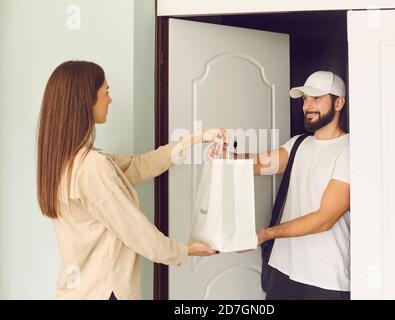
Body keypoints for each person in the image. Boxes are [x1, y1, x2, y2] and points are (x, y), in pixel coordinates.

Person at [36, 60, 225, 300]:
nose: (110, 99)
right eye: (106, 92)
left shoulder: (62, 161)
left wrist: (196, 139)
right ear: (86, 100)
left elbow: (138, 166)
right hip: (104, 292)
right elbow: (137, 232)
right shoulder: (92, 166)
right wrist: (184, 251)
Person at [231, 71, 350, 300]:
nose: (307, 105)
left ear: (339, 102)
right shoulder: (298, 145)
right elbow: (256, 165)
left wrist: (266, 234)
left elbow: (324, 219)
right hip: (283, 269)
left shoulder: (348, 151)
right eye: (305, 98)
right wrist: (224, 158)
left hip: (325, 277)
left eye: (316, 98)